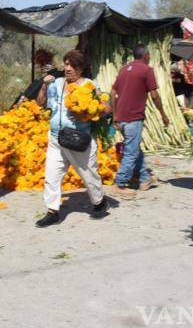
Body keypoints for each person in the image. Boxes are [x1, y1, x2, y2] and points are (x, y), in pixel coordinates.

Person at [35, 50, 109, 227]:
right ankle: (52, 211)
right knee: (51, 175)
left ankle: (99, 202)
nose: (68, 68)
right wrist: (44, 86)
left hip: (79, 140)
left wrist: (86, 114)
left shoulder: (89, 86)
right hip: (56, 138)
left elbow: (106, 108)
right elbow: (40, 103)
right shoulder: (57, 83)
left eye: (72, 65)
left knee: (89, 175)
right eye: (66, 64)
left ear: (81, 68)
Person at [111, 44, 169, 195]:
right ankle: (120, 184)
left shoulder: (124, 69)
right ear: (146, 56)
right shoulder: (146, 70)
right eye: (149, 55)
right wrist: (163, 114)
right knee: (131, 152)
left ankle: (144, 179)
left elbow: (112, 93)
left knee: (134, 148)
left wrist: (115, 116)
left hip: (121, 118)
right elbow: (154, 95)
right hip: (133, 118)